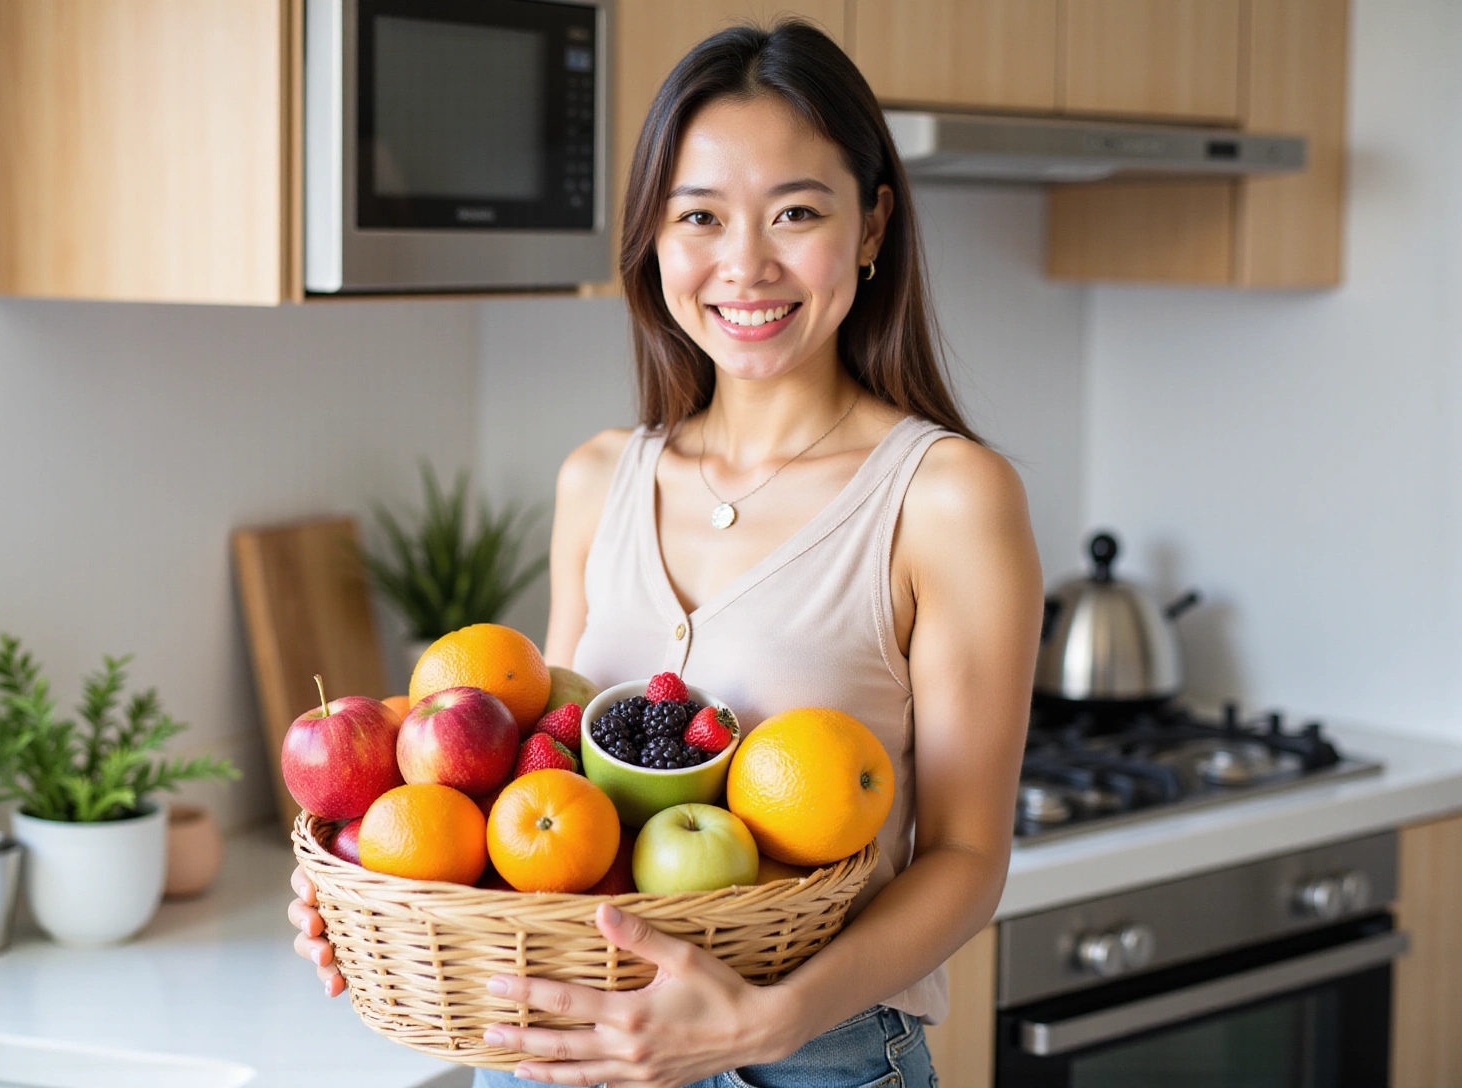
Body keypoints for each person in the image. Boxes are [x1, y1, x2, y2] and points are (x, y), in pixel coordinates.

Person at [288, 20, 1041, 1088]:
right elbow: (530, 787)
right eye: (700, 216)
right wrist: (380, 879)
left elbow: (968, 861)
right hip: (549, 1051)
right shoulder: (598, 478)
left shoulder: (948, 497)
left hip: (807, 1062)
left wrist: (764, 1024)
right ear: (653, 237)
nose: (746, 263)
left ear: (872, 227)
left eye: (796, 211)